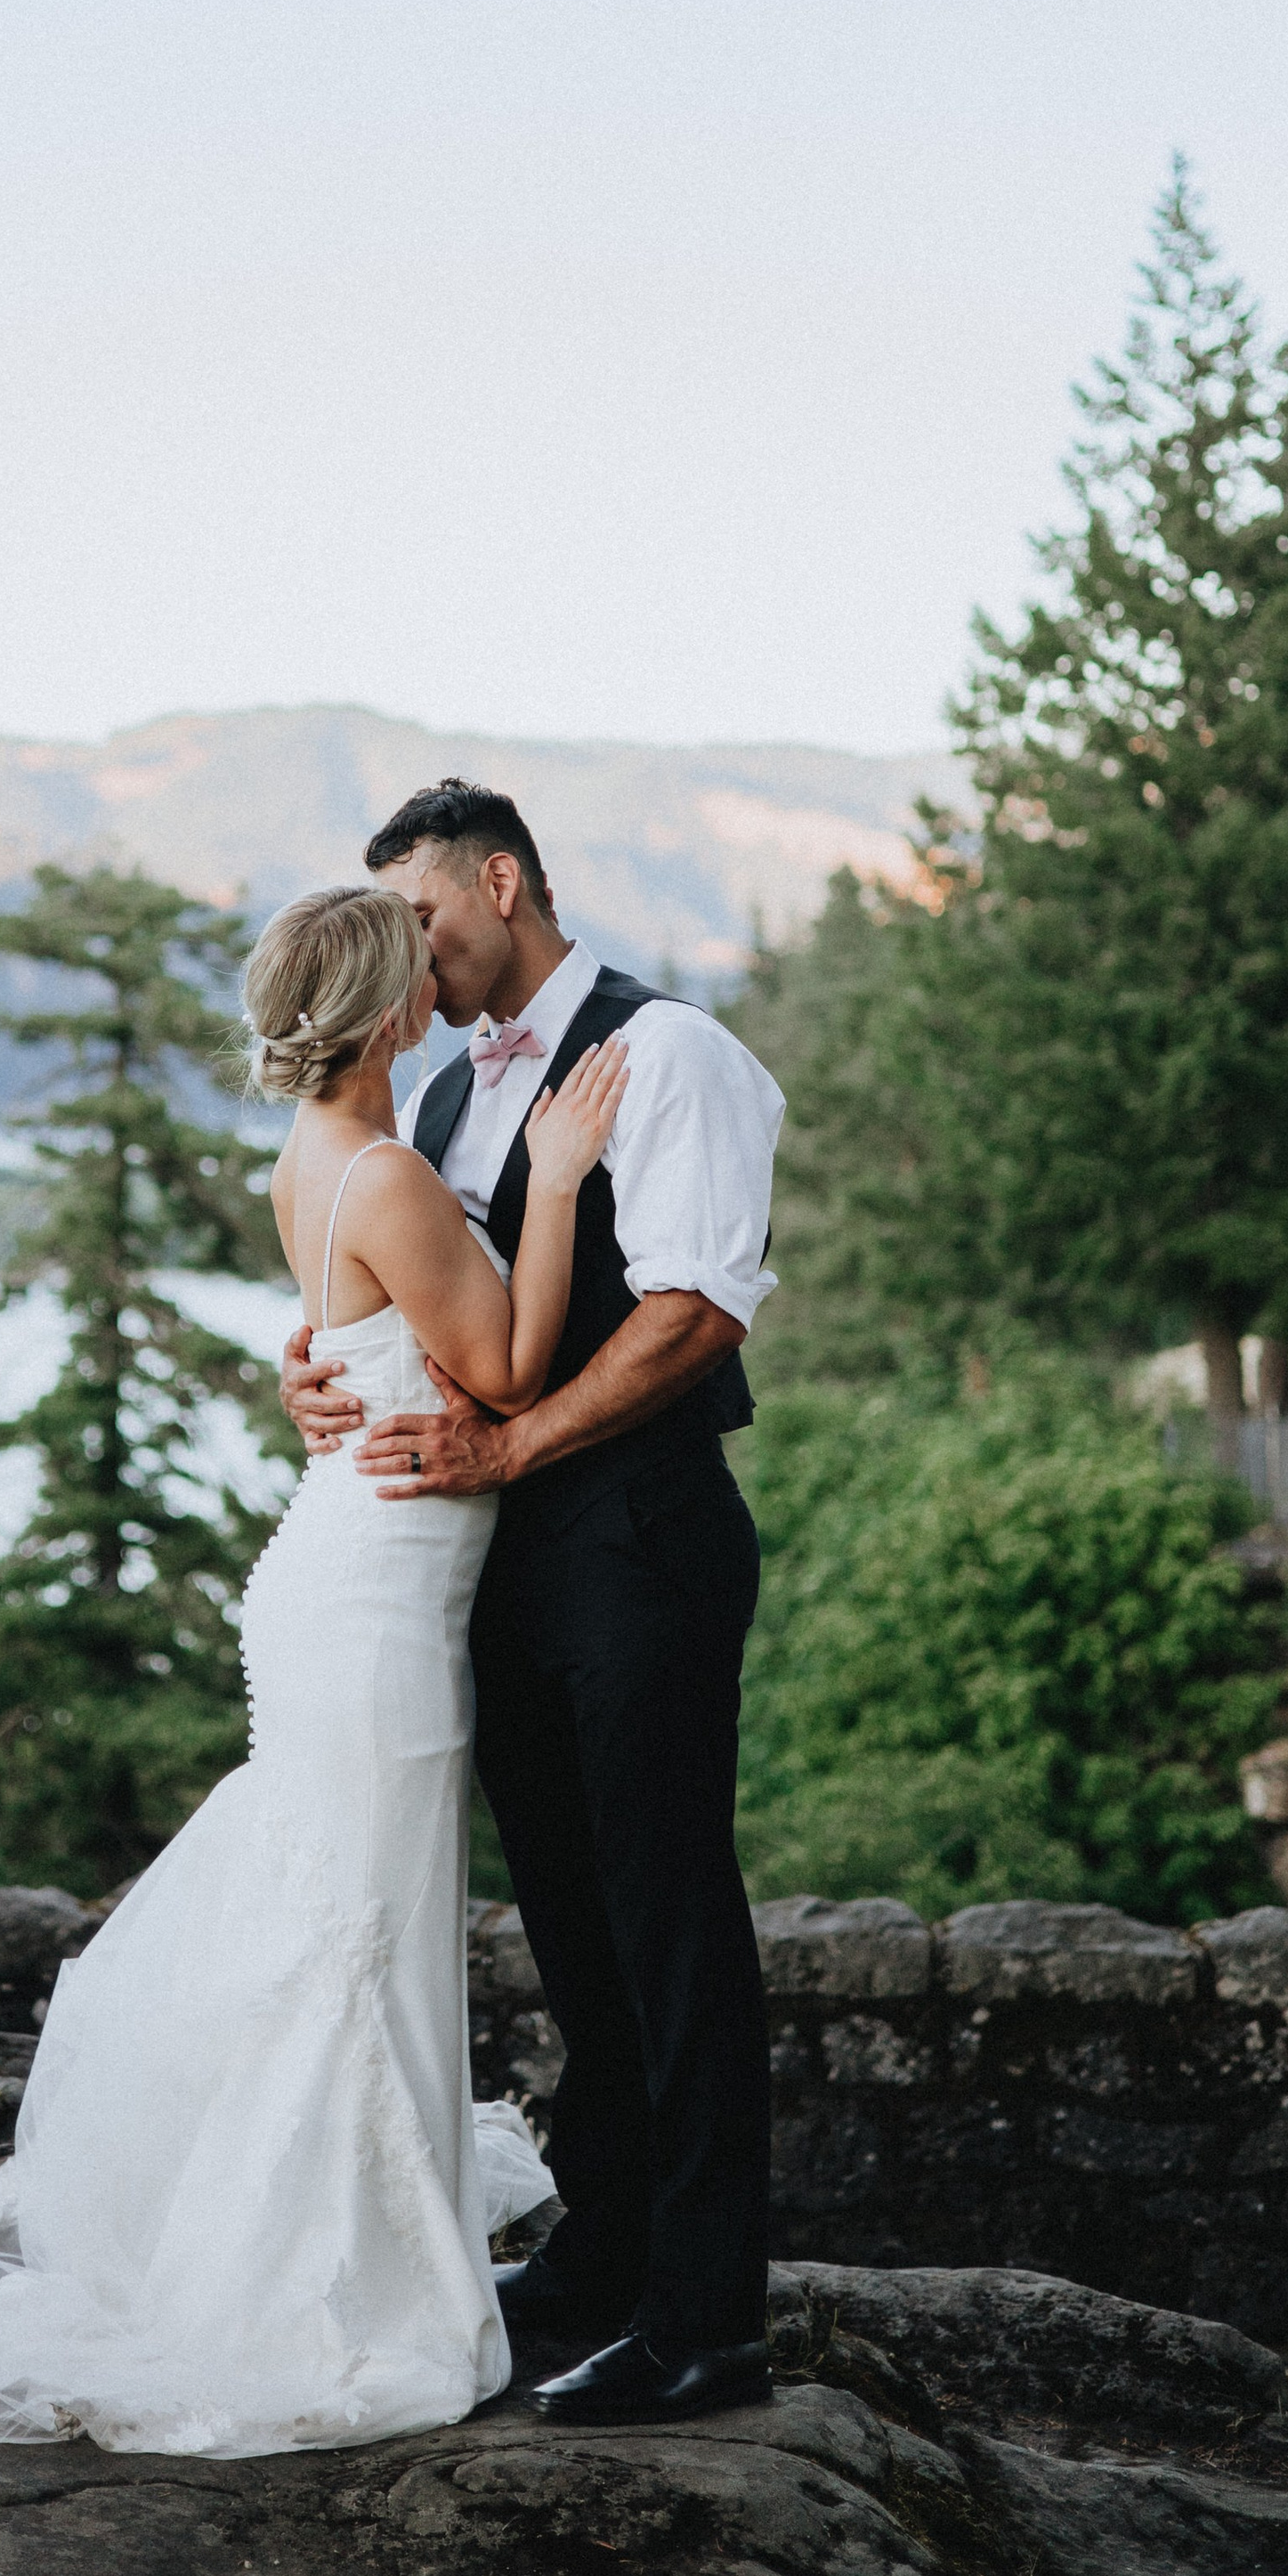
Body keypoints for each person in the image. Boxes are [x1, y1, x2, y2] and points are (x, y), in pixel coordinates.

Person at [0, 880, 628, 2458]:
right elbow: (510, 1370)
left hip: (350, 1568)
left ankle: (353, 2247)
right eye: (424, 975)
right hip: (375, 1597)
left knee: (354, 1922)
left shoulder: (315, 1159)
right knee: (362, 1929)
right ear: (393, 1010)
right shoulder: (389, 1170)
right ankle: (323, 2292)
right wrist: (556, 1177)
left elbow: (357, 1341)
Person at [283, 778, 782, 2427]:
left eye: (425, 918)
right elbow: (426, 1311)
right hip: (500, 1577)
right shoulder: (435, 1106)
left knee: (670, 1927)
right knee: (573, 1934)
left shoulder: (672, 1056)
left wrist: (513, 1441)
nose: (411, 958)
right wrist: (330, 1377)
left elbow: (698, 1313)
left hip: (640, 1547)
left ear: (504, 882)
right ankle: (604, 2253)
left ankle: (710, 2321)